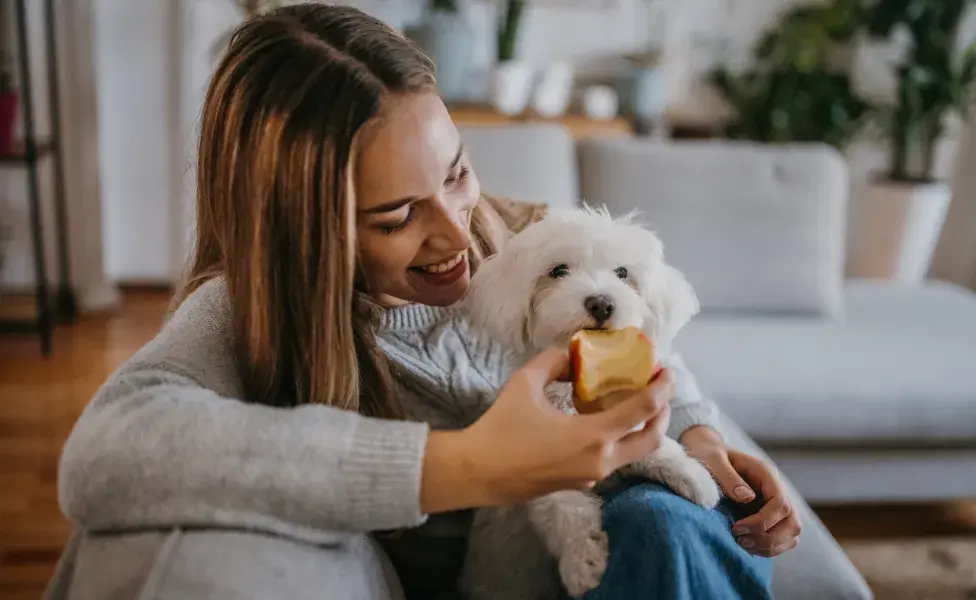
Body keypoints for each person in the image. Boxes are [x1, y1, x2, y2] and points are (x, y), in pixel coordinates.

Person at [51, 5, 800, 600]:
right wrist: (469, 464)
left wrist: (700, 434)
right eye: (394, 216)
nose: (455, 231)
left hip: (619, 552)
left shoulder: (523, 236)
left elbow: (646, 340)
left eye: (457, 172)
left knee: (670, 523)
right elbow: (103, 456)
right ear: (303, 232)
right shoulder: (248, 311)